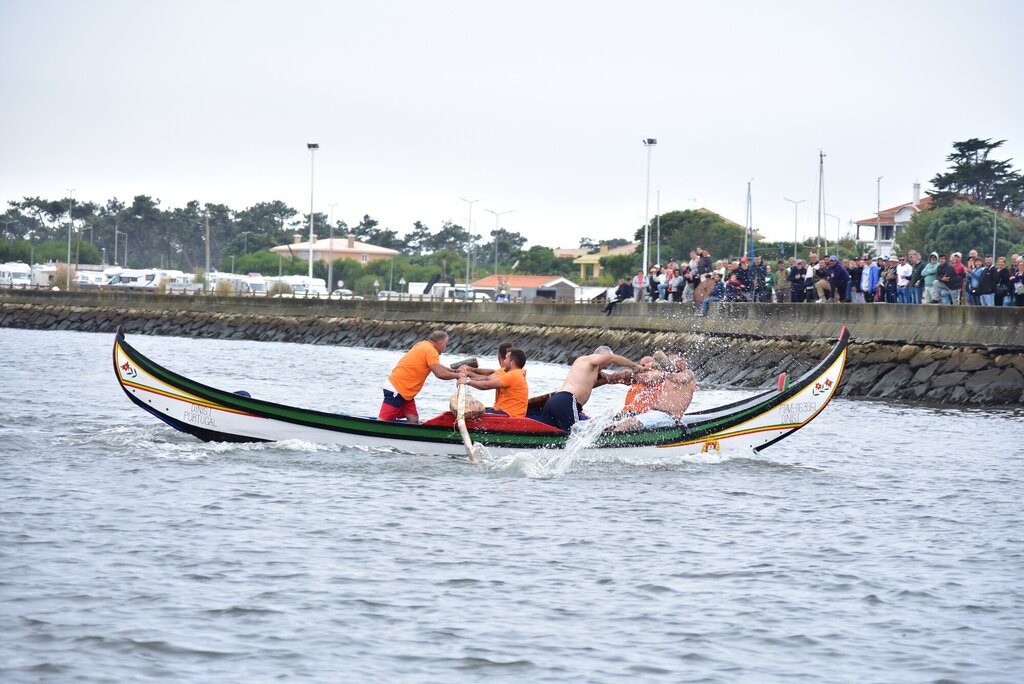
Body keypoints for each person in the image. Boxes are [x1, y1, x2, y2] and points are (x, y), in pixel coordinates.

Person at [539, 346, 645, 431]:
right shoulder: (589, 359)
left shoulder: (590, 372)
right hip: (567, 401)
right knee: (577, 436)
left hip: (555, 402)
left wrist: (623, 377)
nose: (607, 367)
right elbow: (612, 358)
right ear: (601, 357)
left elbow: (610, 379)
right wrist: (635, 366)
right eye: (607, 364)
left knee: (549, 437)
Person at [379, 330, 467, 423]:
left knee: (413, 419)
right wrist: (457, 375)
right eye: (446, 345)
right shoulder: (431, 351)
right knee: (382, 421)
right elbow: (440, 374)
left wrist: (454, 371)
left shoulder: (423, 344)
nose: (445, 347)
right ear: (441, 343)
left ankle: (408, 436)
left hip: (405, 391)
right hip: (398, 389)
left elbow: (437, 366)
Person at [610, 353, 697, 432]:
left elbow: (680, 379)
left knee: (630, 423)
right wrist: (630, 376)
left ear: (684, 360)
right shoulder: (666, 374)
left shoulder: (689, 374)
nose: (671, 363)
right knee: (613, 425)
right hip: (653, 413)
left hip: (668, 416)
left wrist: (662, 370)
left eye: (674, 361)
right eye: (669, 361)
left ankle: (609, 444)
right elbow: (648, 378)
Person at [463, 348, 529, 417]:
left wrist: (468, 381)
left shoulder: (513, 375)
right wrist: (467, 378)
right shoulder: (512, 374)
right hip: (504, 411)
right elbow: (486, 379)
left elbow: (486, 385)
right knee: (475, 410)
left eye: (506, 359)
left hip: (510, 414)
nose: (504, 361)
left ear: (512, 363)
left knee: (473, 415)